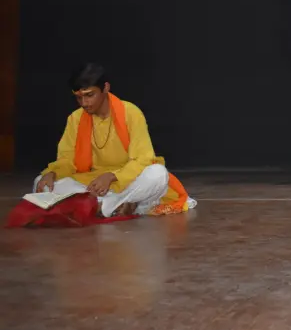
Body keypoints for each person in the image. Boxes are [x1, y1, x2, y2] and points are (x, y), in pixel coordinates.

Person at [32, 63, 196, 218]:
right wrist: (53, 173)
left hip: (127, 179)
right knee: (40, 183)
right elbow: (67, 159)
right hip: (92, 183)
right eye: (79, 98)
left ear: (105, 88)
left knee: (158, 174)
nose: (84, 103)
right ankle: (122, 205)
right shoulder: (75, 119)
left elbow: (143, 159)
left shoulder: (130, 113)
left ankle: (101, 205)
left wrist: (112, 176)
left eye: (89, 95)